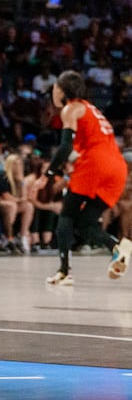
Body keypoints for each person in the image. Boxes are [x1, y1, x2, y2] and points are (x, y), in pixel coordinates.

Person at [45, 71, 132, 285]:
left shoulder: (70, 108)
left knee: (66, 216)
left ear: (62, 90)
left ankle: (64, 272)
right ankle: (118, 248)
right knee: (86, 223)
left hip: (95, 164)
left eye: (55, 87)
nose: (52, 91)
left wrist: (50, 172)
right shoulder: (92, 109)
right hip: (117, 167)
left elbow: (65, 147)